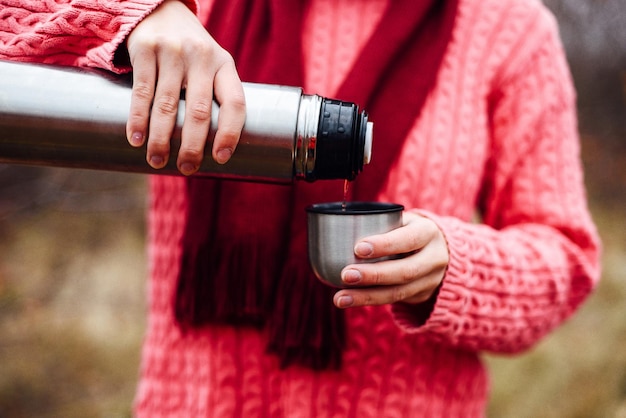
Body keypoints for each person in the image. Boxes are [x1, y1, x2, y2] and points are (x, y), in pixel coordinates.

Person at [0, 0, 601, 416]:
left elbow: (565, 258)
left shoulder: (508, 30)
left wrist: (455, 263)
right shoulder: (189, 7)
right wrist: (134, 14)